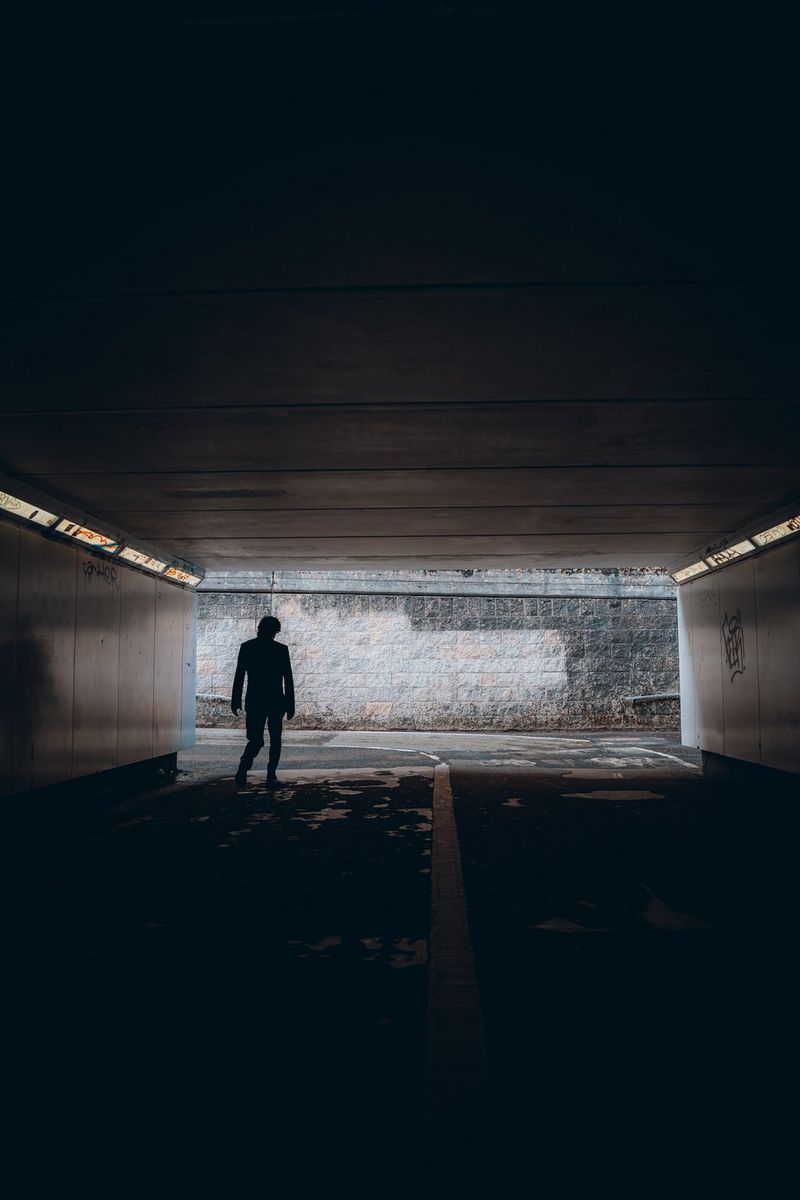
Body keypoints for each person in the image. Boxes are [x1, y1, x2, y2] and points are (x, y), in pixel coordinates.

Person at [232, 615, 295, 787]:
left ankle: (244, 765)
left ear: (259, 628)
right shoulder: (281, 650)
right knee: (275, 739)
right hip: (276, 700)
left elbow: (239, 675)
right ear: (275, 632)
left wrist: (236, 700)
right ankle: (270, 775)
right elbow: (288, 679)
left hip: (255, 700)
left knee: (255, 740)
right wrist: (290, 705)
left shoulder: (247, 647)